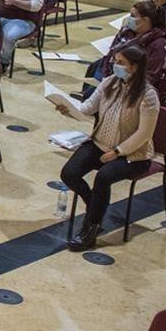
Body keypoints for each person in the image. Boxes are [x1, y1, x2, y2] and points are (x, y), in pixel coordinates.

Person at [58, 44, 159, 251]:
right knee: (70, 173)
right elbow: (87, 109)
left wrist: (118, 152)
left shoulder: (148, 95)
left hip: (132, 154)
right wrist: (67, 108)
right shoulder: (109, 83)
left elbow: (144, 133)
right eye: (115, 61)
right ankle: (94, 207)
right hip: (100, 143)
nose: (115, 65)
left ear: (135, 67)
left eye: (121, 62)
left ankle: (91, 228)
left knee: (103, 177)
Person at [86, 1, 166, 100]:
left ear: (145, 20)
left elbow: (152, 77)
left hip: (140, 89)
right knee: (96, 74)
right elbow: (110, 54)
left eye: (132, 15)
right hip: (117, 76)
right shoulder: (126, 31)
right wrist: (107, 78)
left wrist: (122, 86)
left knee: (96, 94)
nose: (128, 19)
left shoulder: (161, 45)